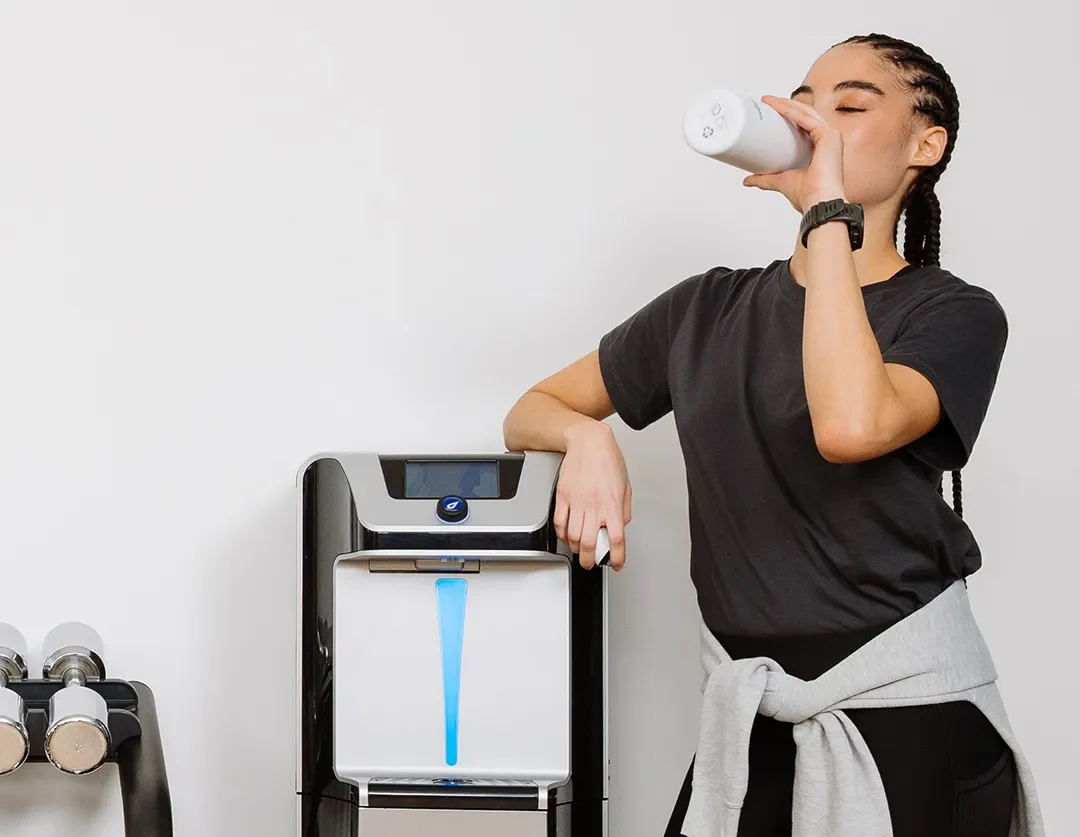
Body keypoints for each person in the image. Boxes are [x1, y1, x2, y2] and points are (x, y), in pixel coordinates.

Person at [502, 33, 1043, 837]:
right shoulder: (704, 309)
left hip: (912, 721)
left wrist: (828, 212)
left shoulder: (954, 314)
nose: (814, 119)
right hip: (751, 720)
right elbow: (531, 408)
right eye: (805, 101)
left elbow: (850, 426)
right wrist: (588, 439)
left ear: (926, 147)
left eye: (851, 106)